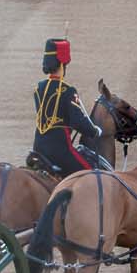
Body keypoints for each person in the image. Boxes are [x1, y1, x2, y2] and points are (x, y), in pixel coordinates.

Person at [32, 39, 103, 176]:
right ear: (63, 64)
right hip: (60, 151)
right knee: (93, 177)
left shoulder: (38, 88)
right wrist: (95, 131)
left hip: (38, 149)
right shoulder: (67, 90)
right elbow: (77, 121)